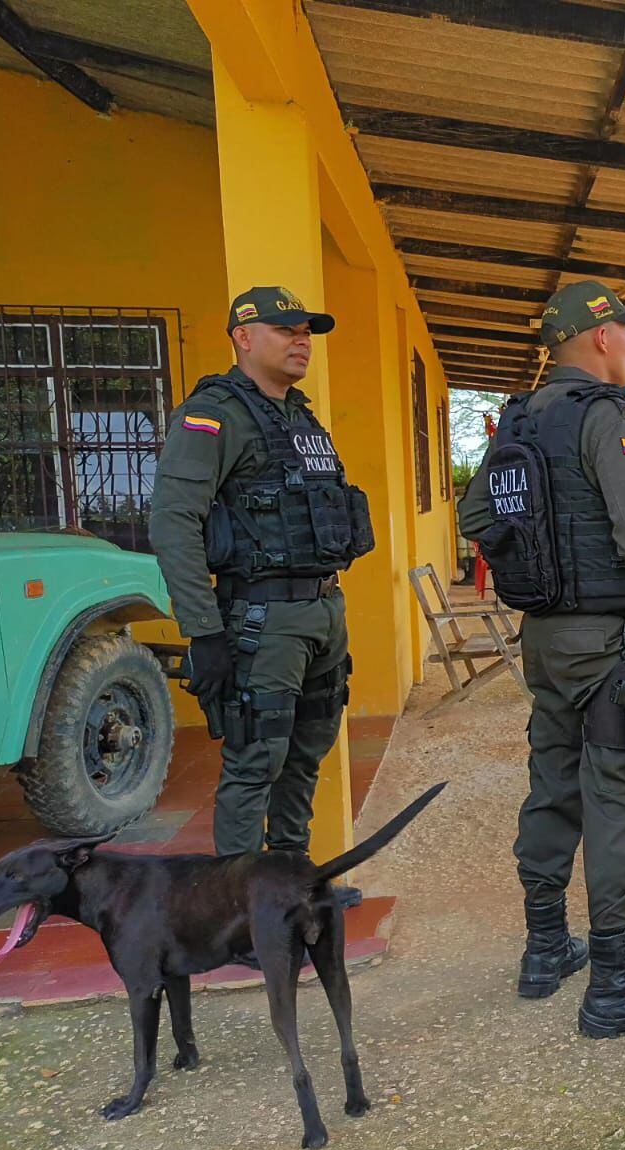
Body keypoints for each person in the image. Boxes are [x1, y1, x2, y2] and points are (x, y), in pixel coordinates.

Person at [458, 280, 625, 1039]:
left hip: (546, 640)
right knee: (619, 801)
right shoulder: (608, 418)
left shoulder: (520, 420)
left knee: (553, 785)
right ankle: (615, 985)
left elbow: (481, 514)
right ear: (600, 337)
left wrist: (544, 550)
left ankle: (545, 951)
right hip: (612, 644)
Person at [150, 286, 372, 911]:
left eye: (306, 331)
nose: (302, 341)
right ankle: (241, 914)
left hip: (324, 610)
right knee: (256, 765)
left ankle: (294, 889)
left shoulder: (300, 416)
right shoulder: (213, 415)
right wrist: (204, 631)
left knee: (306, 757)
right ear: (243, 337)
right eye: (286, 330)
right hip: (262, 617)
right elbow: (174, 522)